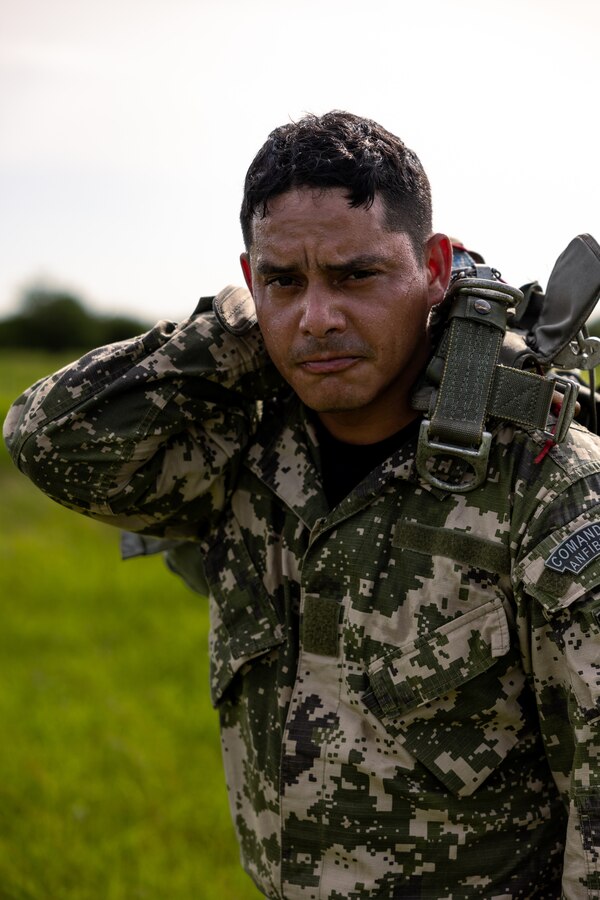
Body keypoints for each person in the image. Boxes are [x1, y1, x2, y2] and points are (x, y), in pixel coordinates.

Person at [4, 110, 600, 900]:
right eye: (285, 281)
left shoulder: (546, 484)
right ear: (250, 285)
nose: (318, 319)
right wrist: (235, 338)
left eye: (356, 275)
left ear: (435, 268)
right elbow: (47, 442)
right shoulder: (243, 445)